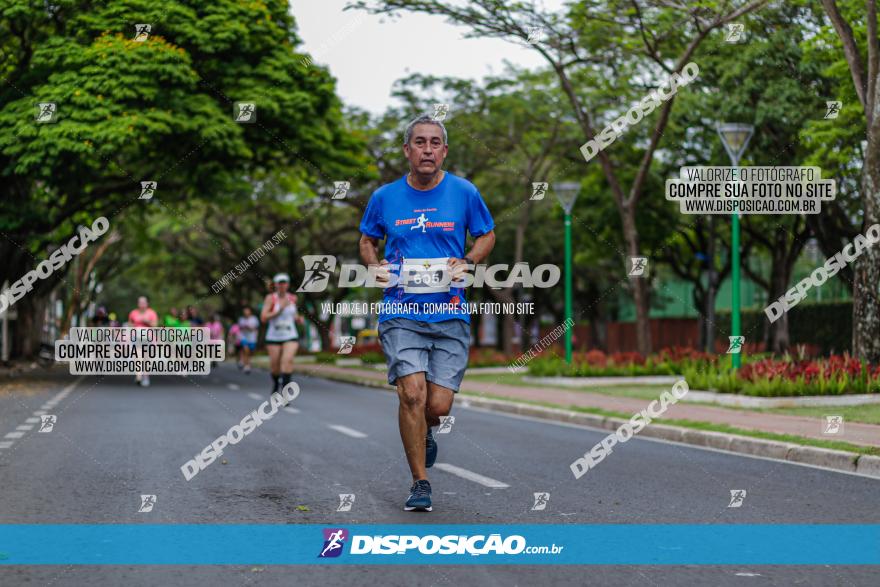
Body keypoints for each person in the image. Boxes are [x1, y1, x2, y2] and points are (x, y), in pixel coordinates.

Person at [358, 114, 496, 512]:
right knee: (411, 395)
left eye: (435, 142)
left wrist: (468, 261)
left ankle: (427, 431)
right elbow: (368, 239)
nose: (428, 149)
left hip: (450, 313)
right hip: (401, 312)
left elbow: (487, 233)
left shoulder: (464, 192)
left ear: (445, 150)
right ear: (407, 150)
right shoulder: (385, 197)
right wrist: (374, 266)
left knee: (438, 406)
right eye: (420, 142)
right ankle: (420, 481)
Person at [260, 274, 303, 394]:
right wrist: (280, 310)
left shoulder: (293, 298)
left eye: (284, 283)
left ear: (287, 285)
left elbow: (294, 315)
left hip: (290, 335)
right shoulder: (270, 298)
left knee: (287, 361)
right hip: (273, 336)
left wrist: (299, 319)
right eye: (279, 283)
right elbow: (263, 317)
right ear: (275, 285)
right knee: (275, 367)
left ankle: (285, 391)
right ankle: (275, 383)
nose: (282, 285)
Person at [128, 296, 159, 387]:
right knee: (138, 357)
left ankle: (145, 376)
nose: (142, 304)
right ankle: (138, 376)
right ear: (138, 304)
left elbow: (155, 325)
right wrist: (134, 325)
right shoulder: (133, 313)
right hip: (137, 337)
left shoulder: (151, 313)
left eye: (143, 302)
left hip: (148, 338)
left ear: (147, 304)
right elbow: (129, 324)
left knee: (146, 358)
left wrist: (147, 321)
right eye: (140, 302)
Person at [237, 306, 259, 374]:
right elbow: (239, 328)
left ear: (250, 312)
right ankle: (246, 366)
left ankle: (247, 363)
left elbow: (255, 328)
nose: (246, 313)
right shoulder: (241, 319)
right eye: (244, 311)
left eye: (247, 311)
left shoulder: (254, 319)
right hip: (244, 337)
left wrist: (249, 328)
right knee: (246, 350)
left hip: (252, 338)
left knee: (250, 353)